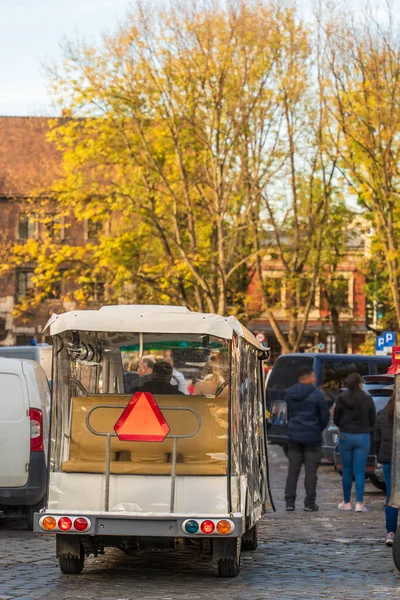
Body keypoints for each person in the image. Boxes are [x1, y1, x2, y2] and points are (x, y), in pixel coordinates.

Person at [284, 366, 330, 512]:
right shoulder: (317, 394)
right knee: (311, 471)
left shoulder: (289, 393)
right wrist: (318, 428)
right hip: (312, 438)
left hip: (294, 436)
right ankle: (309, 503)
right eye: (313, 376)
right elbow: (325, 416)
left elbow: (287, 413)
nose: (314, 378)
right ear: (307, 377)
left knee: (293, 470)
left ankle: (289, 502)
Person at [334, 372, 376, 513]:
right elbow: (373, 419)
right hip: (363, 436)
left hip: (345, 435)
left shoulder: (342, 398)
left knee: (346, 470)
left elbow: (336, 418)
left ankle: (346, 502)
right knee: (359, 471)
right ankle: (359, 503)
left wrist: (343, 428)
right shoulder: (367, 398)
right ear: (359, 383)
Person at [374, 392, 398, 545]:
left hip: (389, 460)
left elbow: (376, 438)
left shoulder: (382, 414)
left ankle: (391, 532)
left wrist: (380, 457)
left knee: (391, 496)